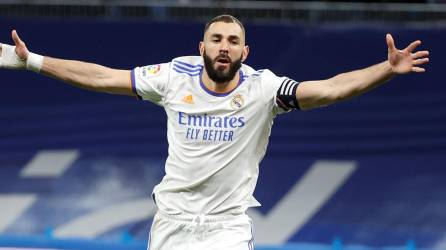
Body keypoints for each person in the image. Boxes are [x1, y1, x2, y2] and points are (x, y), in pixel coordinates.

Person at [0, 15, 429, 250]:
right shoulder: (172, 76)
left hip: (224, 229)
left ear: (245, 52)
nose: (224, 46)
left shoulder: (264, 88)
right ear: (201, 46)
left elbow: (330, 89)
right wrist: (32, 61)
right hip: (170, 225)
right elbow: (99, 76)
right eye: (216, 38)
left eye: (233, 40)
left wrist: (385, 71)